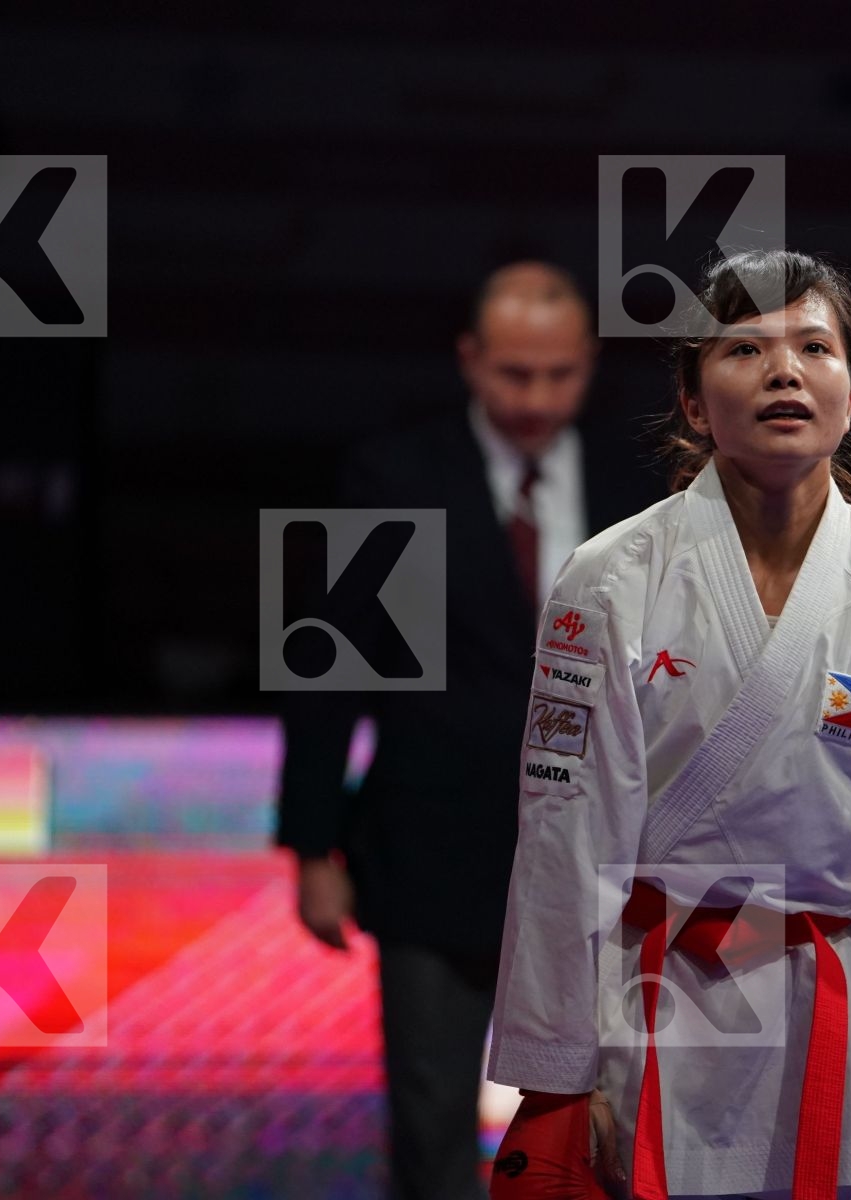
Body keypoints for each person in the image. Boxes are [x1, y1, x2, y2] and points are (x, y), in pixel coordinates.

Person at [484, 249, 851, 1200]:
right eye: (746, 348)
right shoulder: (608, 582)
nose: (784, 370)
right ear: (695, 405)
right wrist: (554, 1086)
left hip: (847, 1033)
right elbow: (563, 842)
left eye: (813, 347)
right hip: (650, 1026)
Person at [276, 261, 662, 1200]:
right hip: (428, 846)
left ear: (590, 363)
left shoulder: (648, 481)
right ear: (469, 359)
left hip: (608, 860)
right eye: (512, 374)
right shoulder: (389, 473)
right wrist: (311, 843)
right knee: (432, 1123)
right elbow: (326, 673)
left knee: (617, 1129)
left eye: (558, 375)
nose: (535, 398)